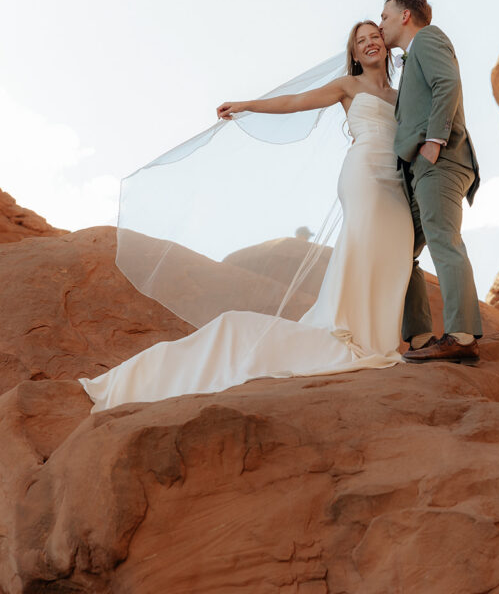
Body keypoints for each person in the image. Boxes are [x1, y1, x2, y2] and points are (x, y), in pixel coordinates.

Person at [79, 21, 414, 412]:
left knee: (394, 251)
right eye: (361, 41)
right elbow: (294, 102)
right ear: (354, 55)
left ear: (385, 46)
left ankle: (380, 337)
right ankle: (357, 335)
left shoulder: (401, 94)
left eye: (375, 37)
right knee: (365, 246)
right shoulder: (347, 87)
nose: (370, 43)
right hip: (363, 177)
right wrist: (248, 105)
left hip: (395, 183)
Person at [379, 0, 482, 363]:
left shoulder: (429, 38)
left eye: (385, 16)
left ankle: (462, 335)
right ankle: (421, 337)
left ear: (405, 16)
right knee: (402, 251)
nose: (381, 23)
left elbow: (447, 83)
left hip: (439, 162)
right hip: (419, 171)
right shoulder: (412, 57)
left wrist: (434, 142)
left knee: (443, 240)